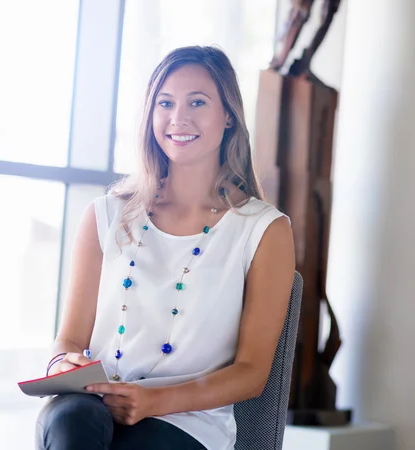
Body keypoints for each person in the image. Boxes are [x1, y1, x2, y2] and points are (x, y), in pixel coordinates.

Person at [35, 45, 295, 450]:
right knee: (70, 418)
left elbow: (252, 371)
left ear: (228, 115)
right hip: (91, 407)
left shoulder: (264, 230)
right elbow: (68, 340)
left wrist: (154, 401)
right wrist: (62, 363)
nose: (179, 118)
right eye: (165, 103)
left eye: (197, 102)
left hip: (186, 423)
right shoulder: (105, 216)